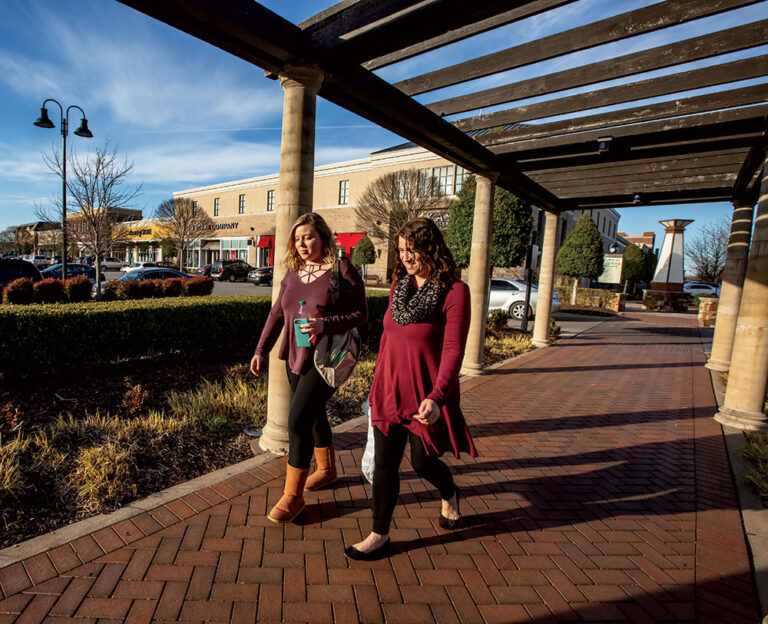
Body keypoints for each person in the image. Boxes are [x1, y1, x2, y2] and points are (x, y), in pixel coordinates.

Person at [345, 217, 476, 561]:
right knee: (386, 464)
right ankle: (379, 534)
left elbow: (453, 350)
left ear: (430, 247)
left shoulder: (454, 291)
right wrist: (376, 386)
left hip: (425, 394)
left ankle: (449, 493)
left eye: (411, 249)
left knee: (422, 462)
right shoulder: (399, 285)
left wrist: (438, 396)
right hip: (389, 388)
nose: (404, 256)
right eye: (400, 250)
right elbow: (388, 338)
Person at [250, 213, 367, 523]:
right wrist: (261, 349)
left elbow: (361, 314)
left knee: (297, 420)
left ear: (323, 238)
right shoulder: (293, 272)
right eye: (298, 238)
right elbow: (277, 314)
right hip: (294, 355)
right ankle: (327, 470)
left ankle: (293, 496)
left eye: (309, 237)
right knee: (313, 414)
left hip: (327, 358)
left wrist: (323, 323)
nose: (303, 244)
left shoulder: (341, 270)